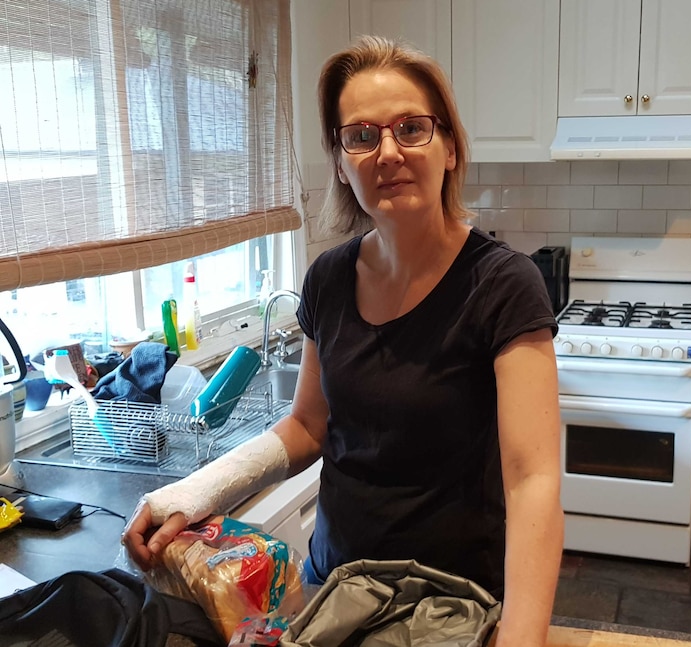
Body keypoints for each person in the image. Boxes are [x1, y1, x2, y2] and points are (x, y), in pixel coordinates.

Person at [122, 35, 563, 647]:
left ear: (452, 147)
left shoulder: (502, 285)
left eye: (412, 128)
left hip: (453, 604)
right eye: (360, 136)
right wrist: (191, 495)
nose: (387, 153)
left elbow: (532, 480)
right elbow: (308, 427)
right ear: (339, 160)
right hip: (334, 587)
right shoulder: (328, 278)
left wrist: (523, 636)